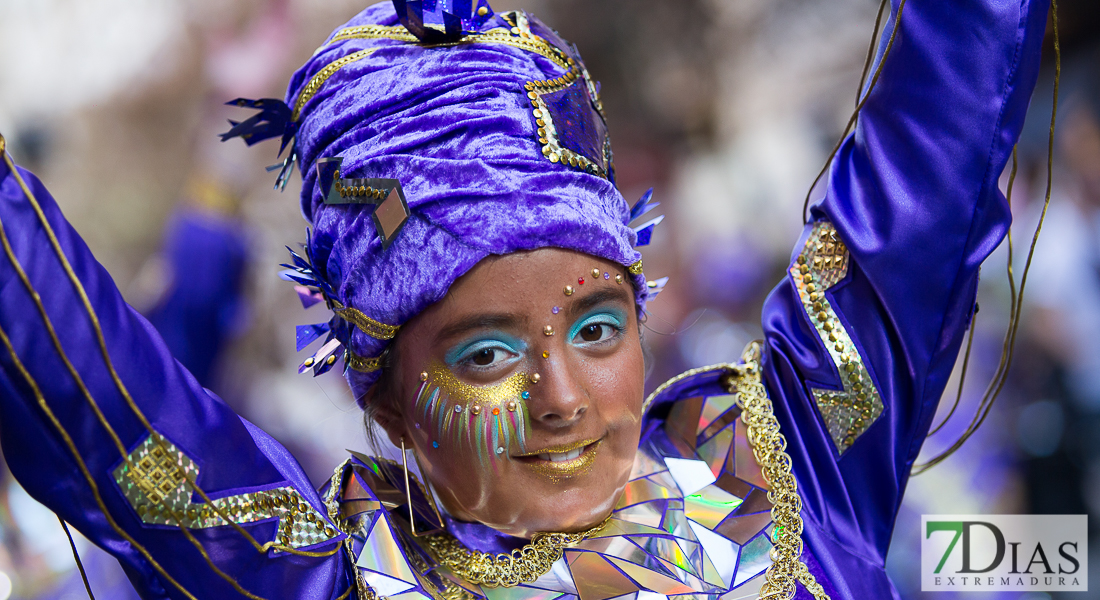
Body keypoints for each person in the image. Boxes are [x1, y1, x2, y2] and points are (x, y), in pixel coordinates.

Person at [0, 0, 1048, 598]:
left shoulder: (791, 473)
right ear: (391, 403)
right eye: (487, 356)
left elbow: (934, 155)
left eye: (596, 329)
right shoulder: (342, 584)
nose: (561, 396)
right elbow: (104, 400)